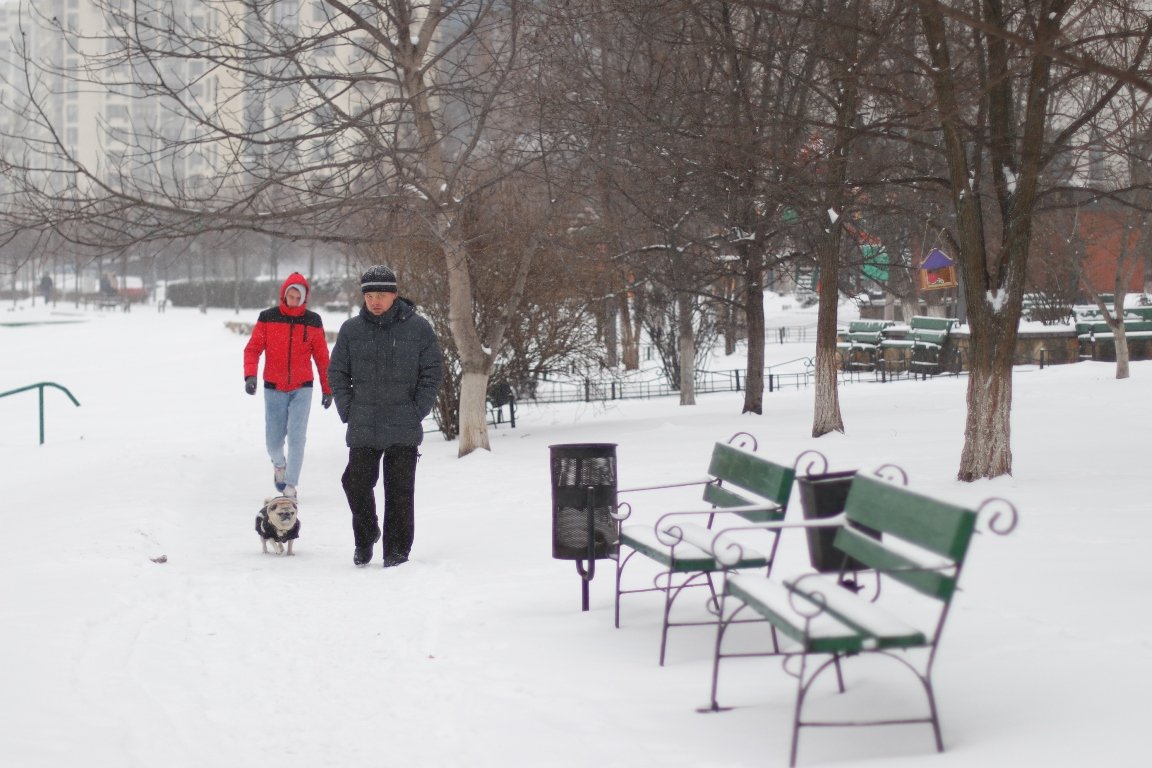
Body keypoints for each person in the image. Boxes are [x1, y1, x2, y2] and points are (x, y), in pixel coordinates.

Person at [328, 265, 443, 567]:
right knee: (355, 482)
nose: (375, 301)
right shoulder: (351, 330)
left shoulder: (418, 328)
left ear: (394, 295)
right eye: (369, 295)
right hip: (363, 422)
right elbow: (337, 373)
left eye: (381, 294)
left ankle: (396, 551)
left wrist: (417, 409)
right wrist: (349, 409)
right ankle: (365, 536)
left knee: (400, 493)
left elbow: (432, 372)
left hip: (403, 423)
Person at [243, 273, 333, 499]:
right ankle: (279, 464)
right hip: (274, 388)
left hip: (302, 388)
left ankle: (291, 486)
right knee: (273, 441)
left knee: (297, 437)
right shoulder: (268, 317)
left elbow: (322, 358)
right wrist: (250, 376)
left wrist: (328, 388)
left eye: (297, 298)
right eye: (290, 296)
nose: (293, 300)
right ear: (284, 294)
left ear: (304, 299)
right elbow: (252, 349)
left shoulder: (313, 321)